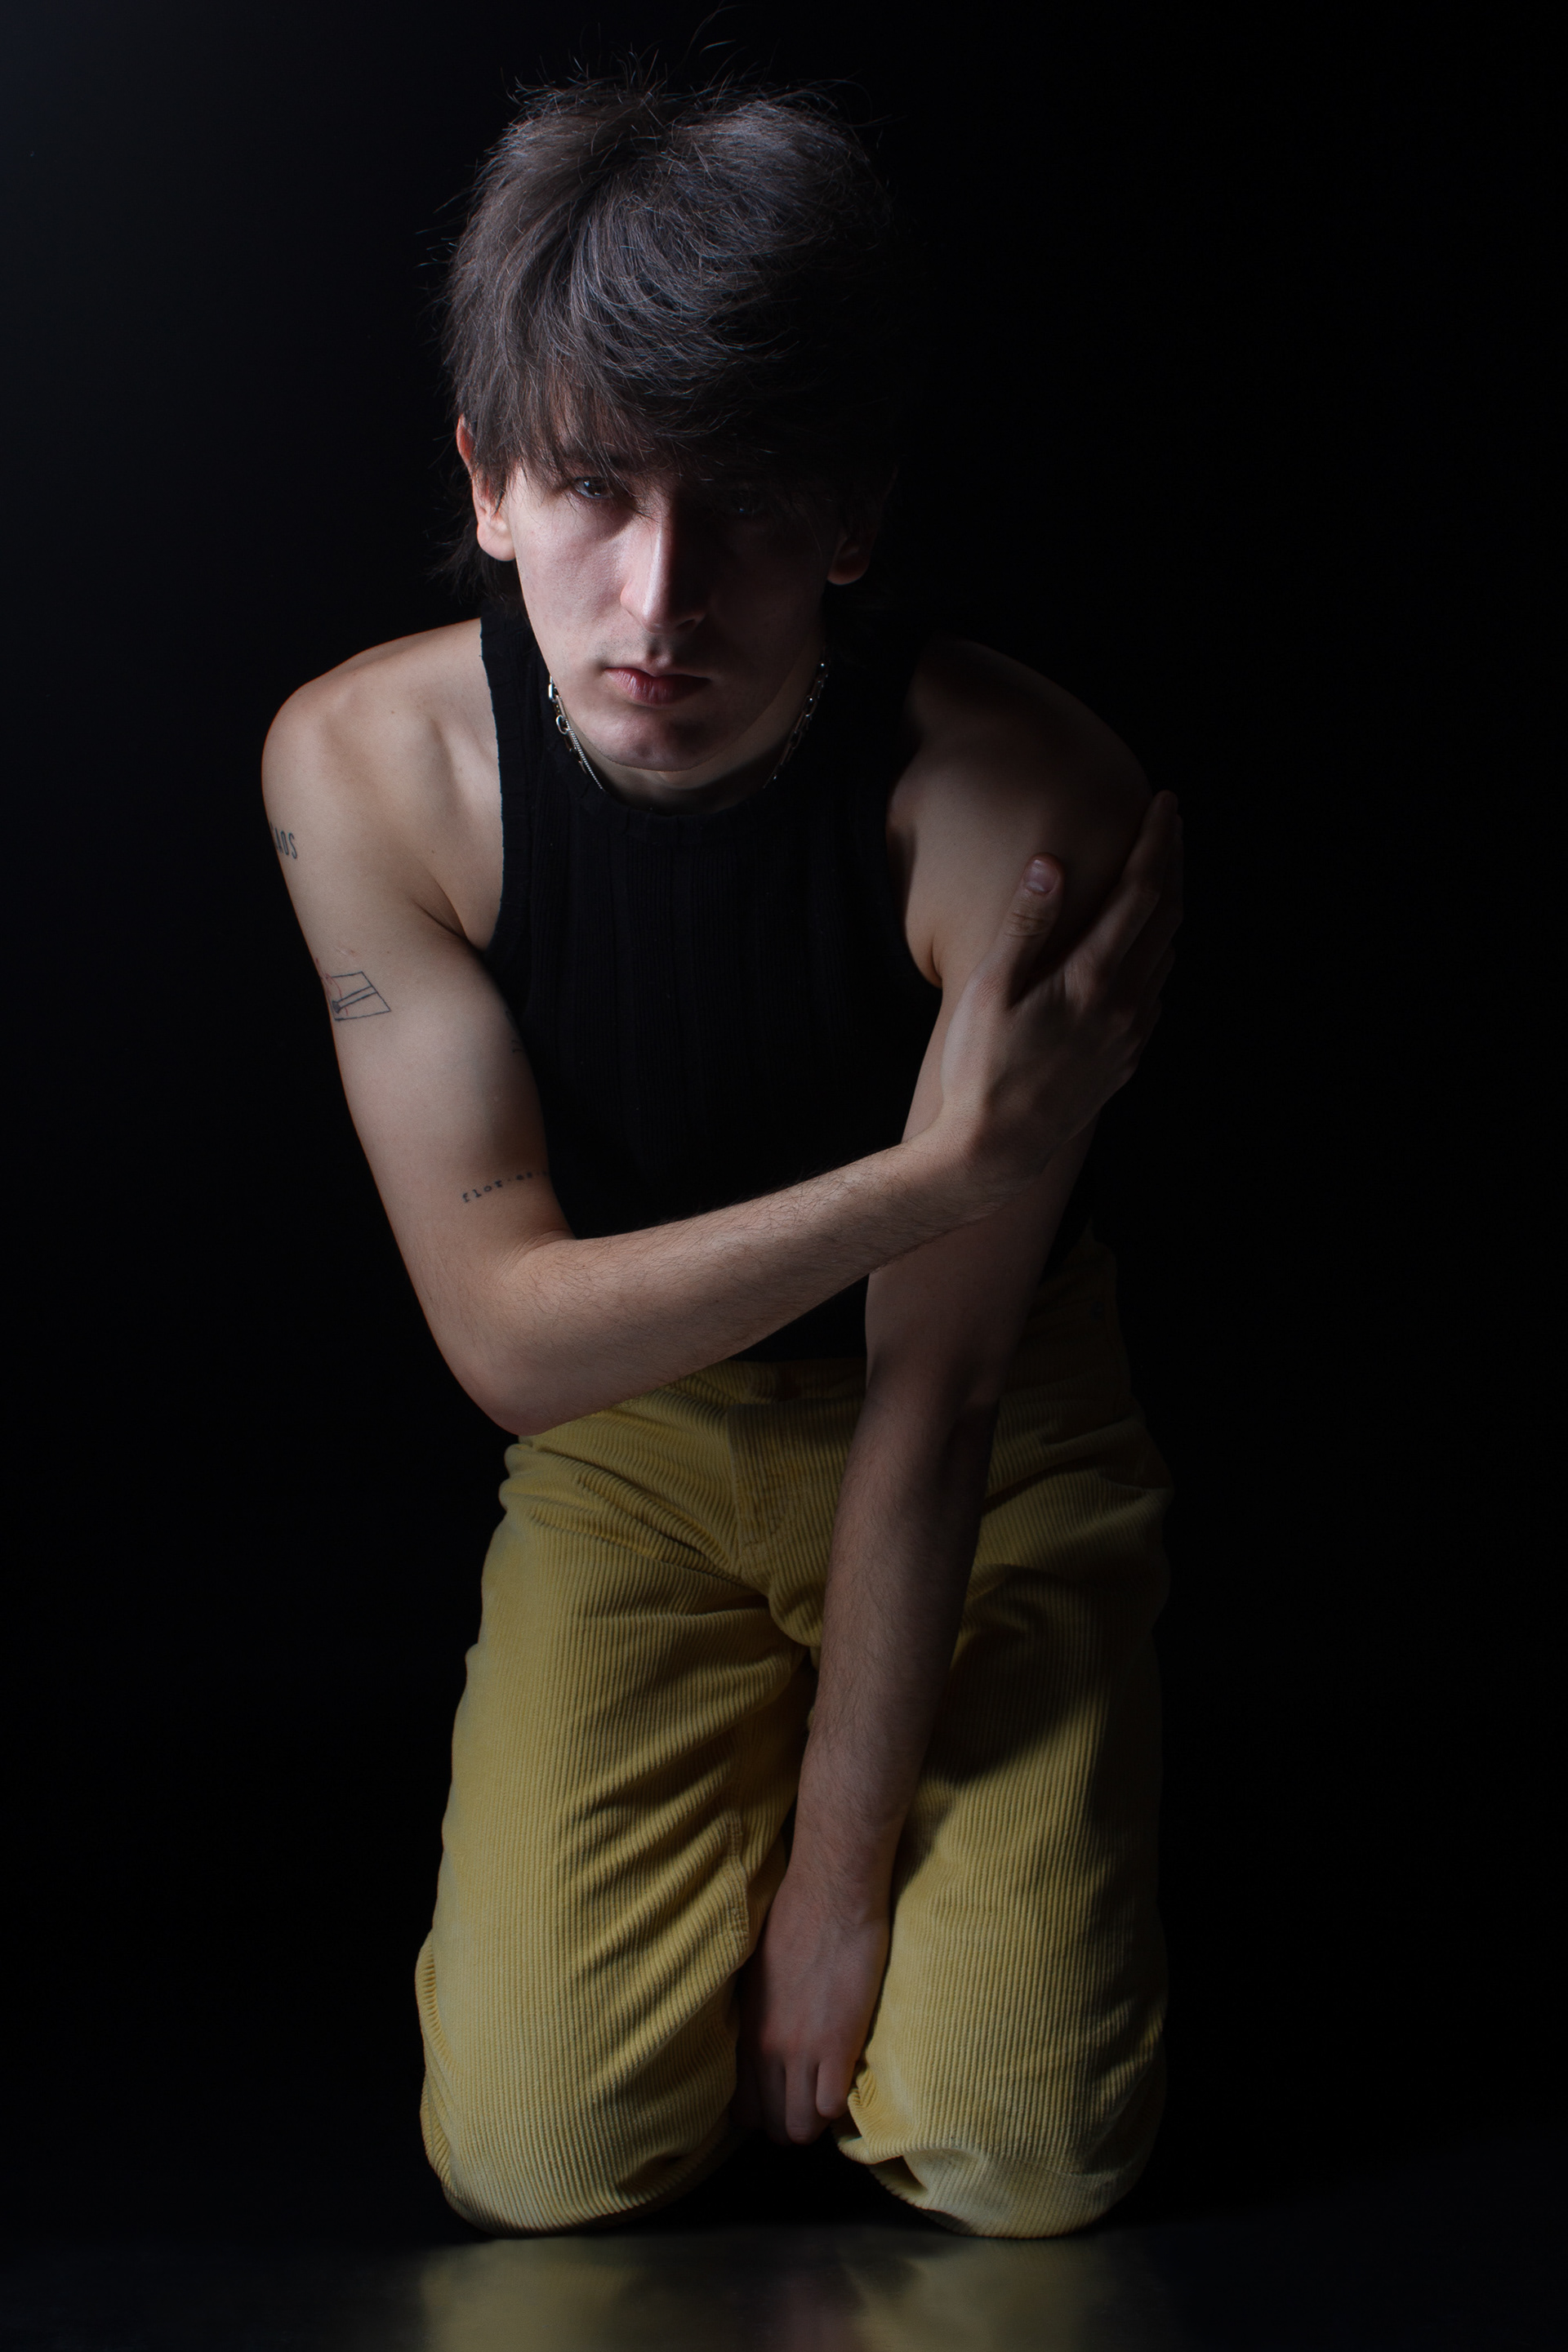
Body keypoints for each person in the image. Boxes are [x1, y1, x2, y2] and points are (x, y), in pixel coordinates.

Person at [262, 72, 1183, 2242]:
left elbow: (942, 1390)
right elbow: (512, 1342)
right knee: (539, 2156)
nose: (659, 594)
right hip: (632, 1440)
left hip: (982, 1441)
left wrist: (836, 1895)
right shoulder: (366, 770)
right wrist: (932, 1174)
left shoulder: (1014, 802)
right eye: (593, 486)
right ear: (489, 486)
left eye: (746, 504)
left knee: (1024, 2155)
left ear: (847, 521)